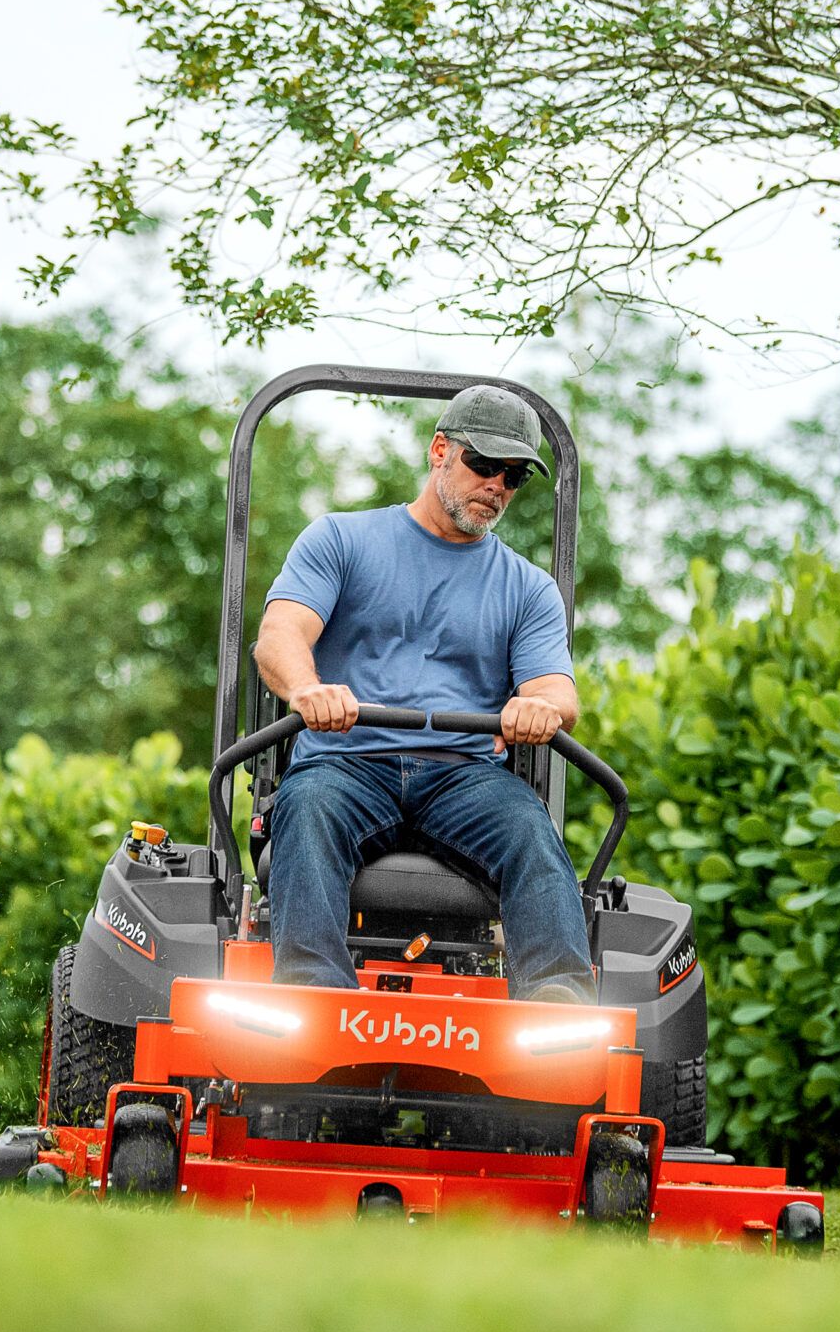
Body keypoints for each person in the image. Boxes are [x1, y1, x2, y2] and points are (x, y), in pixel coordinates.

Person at [252, 384, 597, 1001]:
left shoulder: (528, 588)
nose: (496, 485)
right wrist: (308, 690)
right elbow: (280, 635)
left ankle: (557, 1008)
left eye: (513, 476)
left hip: (463, 775)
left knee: (529, 829)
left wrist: (536, 707)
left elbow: (557, 693)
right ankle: (312, 999)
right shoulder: (341, 540)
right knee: (306, 811)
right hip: (346, 763)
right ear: (440, 450)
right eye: (483, 465)